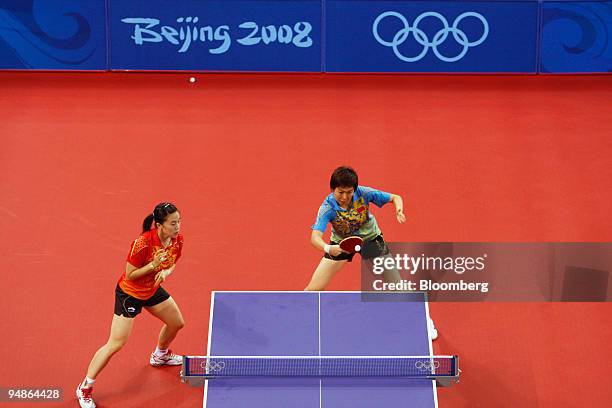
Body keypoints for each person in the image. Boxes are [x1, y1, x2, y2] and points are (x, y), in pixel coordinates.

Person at [76, 203, 186, 408]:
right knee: (116, 343)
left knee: (176, 323)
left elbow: (172, 262)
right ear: (159, 224)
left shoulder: (176, 240)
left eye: (179, 221)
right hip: (130, 294)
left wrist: (165, 272)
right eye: (173, 223)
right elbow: (130, 275)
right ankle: (85, 386)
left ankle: (160, 355)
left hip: (152, 289)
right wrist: (153, 265)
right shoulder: (143, 243)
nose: (178, 226)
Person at [305, 166, 406, 291]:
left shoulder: (364, 193)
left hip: (371, 240)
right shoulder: (327, 208)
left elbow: (395, 197)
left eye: (349, 192)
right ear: (332, 189)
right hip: (342, 244)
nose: (345, 197)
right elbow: (314, 238)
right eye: (340, 192)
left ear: (355, 189)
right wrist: (329, 248)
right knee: (312, 290)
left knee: (398, 288)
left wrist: (399, 209)